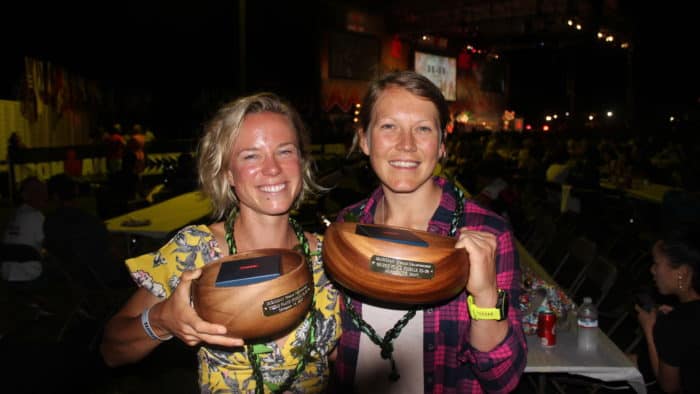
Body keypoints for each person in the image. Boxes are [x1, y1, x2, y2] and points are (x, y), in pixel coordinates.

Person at [100, 93, 341, 393]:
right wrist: (162, 320)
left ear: (301, 162)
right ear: (228, 172)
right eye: (251, 155)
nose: (273, 169)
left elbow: (342, 359)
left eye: (285, 151)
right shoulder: (196, 250)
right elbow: (112, 351)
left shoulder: (330, 258)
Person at [330, 71, 526, 393]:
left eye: (422, 129)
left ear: (442, 146)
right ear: (364, 139)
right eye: (389, 127)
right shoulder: (346, 226)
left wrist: (486, 296)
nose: (406, 145)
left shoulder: (487, 232)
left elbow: (502, 380)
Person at [635, 227, 700, 393]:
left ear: (682, 273)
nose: (652, 270)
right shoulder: (682, 316)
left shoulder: (675, 324)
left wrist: (649, 330)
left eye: (657, 263)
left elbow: (669, 387)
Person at [1, 176, 48, 282]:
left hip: (6, 271)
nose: (44, 196)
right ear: (25, 196)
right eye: (38, 192)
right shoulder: (36, 216)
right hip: (29, 272)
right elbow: (50, 244)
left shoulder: (15, 214)